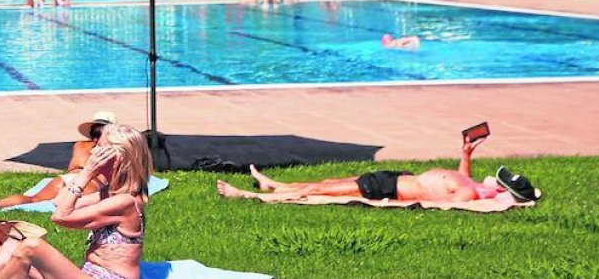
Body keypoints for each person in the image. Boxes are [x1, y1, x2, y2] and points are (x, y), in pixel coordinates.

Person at [0, 123, 152, 279]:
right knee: (11, 246)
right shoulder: (108, 193)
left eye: (101, 148)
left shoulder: (125, 202)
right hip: (87, 273)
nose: (93, 151)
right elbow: (59, 202)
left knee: (31, 247)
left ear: (118, 158)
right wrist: (86, 175)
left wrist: (86, 174)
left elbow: (60, 217)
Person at [217, 133, 540, 205]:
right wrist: (466, 152)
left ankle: (243, 194)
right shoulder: (471, 184)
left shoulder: (470, 194)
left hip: (386, 190)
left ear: (501, 190)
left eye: (500, 181)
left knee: (318, 191)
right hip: (394, 177)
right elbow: (464, 176)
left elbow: (435, 201)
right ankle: (272, 183)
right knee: (328, 180)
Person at [0, 111, 116, 215]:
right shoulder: (112, 150)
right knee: (73, 205)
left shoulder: (79, 145)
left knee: (34, 198)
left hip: (66, 177)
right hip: (88, 181)